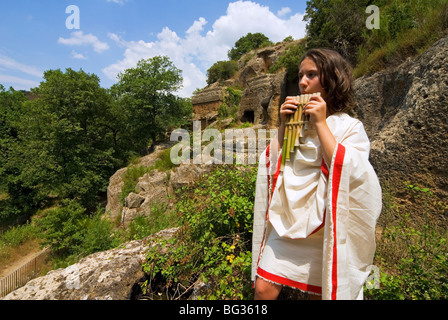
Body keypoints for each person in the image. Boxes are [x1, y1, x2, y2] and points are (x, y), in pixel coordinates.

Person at [251, 48, 382, 300]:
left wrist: (321, 123)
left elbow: (351, 170)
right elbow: (273, 164)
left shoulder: (349, 126)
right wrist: (283, 126)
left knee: (321, 293)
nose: (302, 82)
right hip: (286, 221)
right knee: (263, 288)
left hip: (327, 225)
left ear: (331, 79)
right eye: (301, 75)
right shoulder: (294, 124)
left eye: (311, 74)